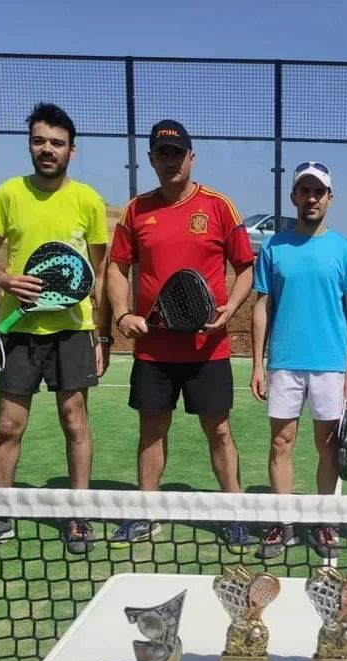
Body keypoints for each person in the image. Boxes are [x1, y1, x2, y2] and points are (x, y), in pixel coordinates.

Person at [0, 103, 109, 560]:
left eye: (56, 142)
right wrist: (5, 278)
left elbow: (99, 274)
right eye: (39, 140)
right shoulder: (9, 193)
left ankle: (78, 514)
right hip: (19, 329)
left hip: (72, 331)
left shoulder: (88, 200)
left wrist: (102, 337)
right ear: (30, 144)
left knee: (74, 421)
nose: (47, 149)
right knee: (8, 426)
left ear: (72, 150)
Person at [106, 120, 254, 546]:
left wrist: (231, 308)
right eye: (162, 153)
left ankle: (235, 514)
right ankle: (146, 513)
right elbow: (117, 267)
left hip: (208, 348)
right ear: (151, 159)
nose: (170, 160)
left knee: (220, 431)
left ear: (191, 157)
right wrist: (121, 313)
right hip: (153, 350)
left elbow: (246, 267)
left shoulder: (219, 206)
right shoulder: (136, 210)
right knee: (151, 430)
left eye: (177, 153)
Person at [250, 161, 347, 561]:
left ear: (330, 199)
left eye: (319, 192)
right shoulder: (272, 247)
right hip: (284, 363)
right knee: (281, 442)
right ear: (294, 197)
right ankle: (282, 523)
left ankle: (324, 522)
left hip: (331, 367)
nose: (311, 198)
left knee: (327, 447)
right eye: (305, 191)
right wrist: (257, 364)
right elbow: (261, 307)